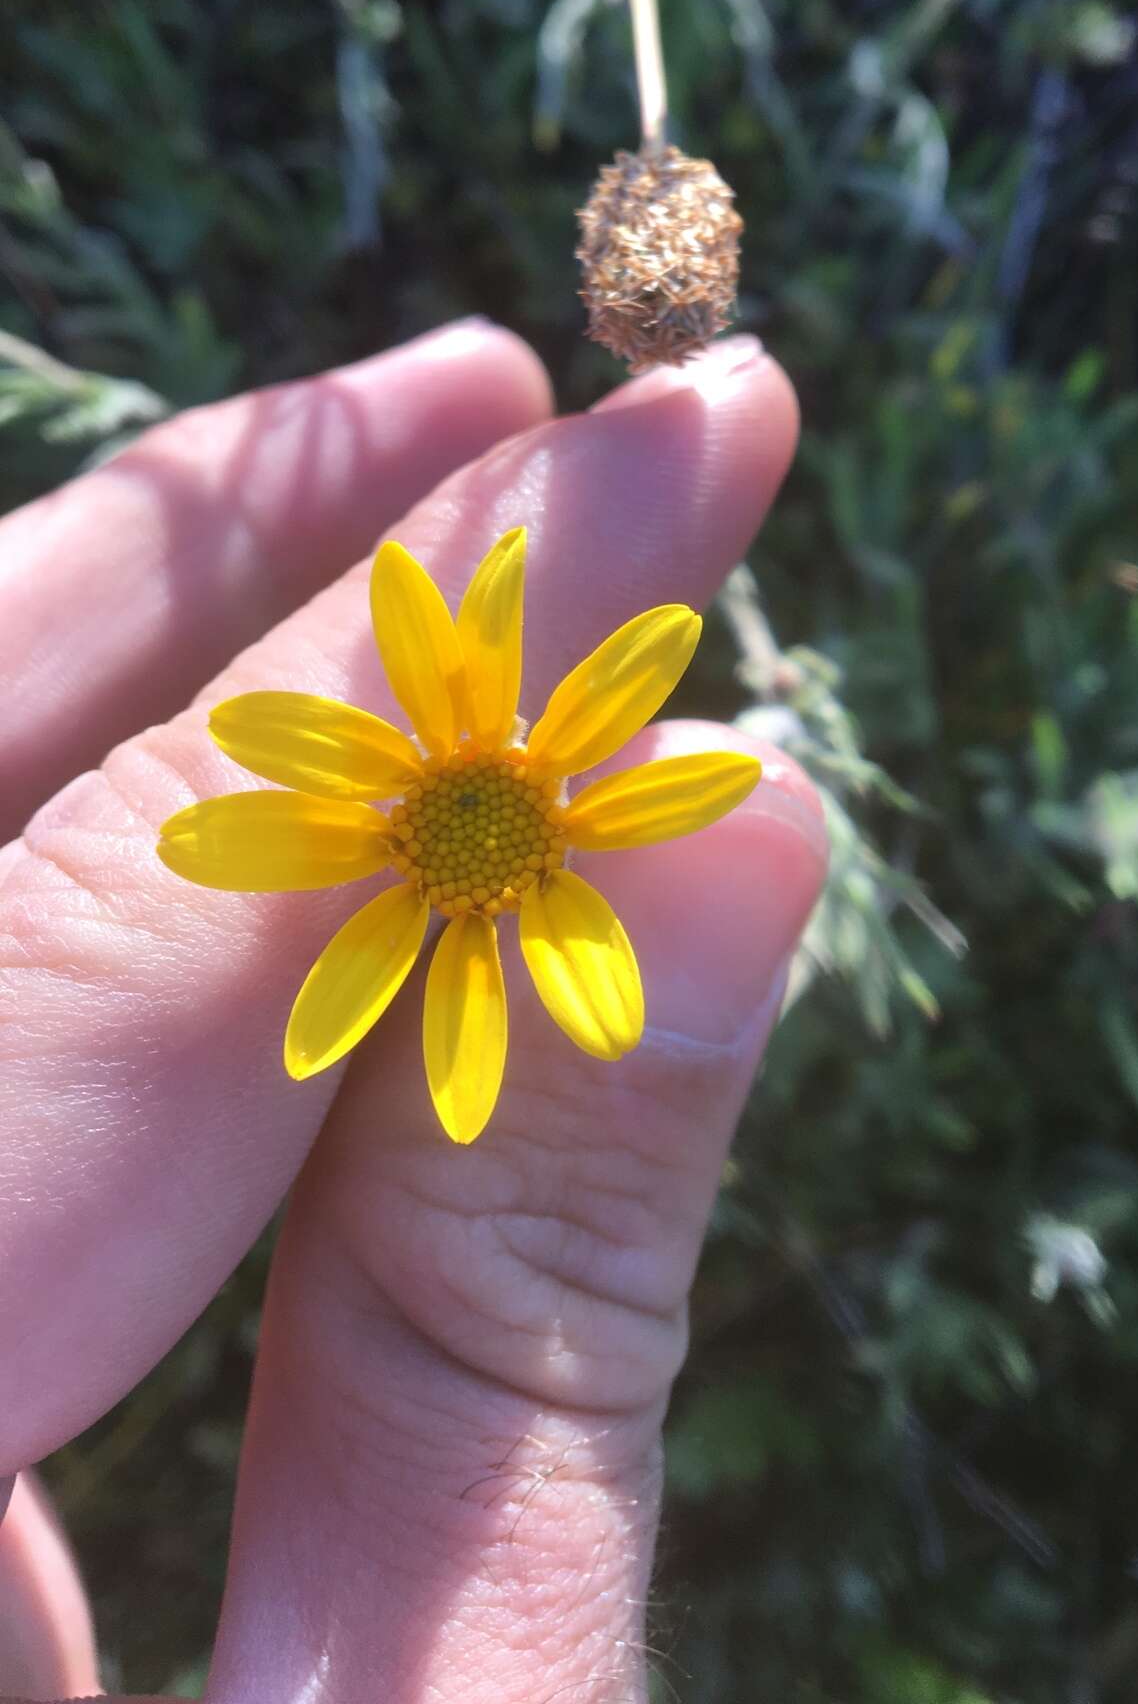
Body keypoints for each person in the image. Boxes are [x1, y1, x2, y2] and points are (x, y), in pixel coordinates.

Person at [0, 322, 827, 1703]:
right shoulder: (421, 846)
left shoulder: (508, 831)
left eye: (492, 813)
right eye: (464, 813)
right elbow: (254, 869)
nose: (480, 824)